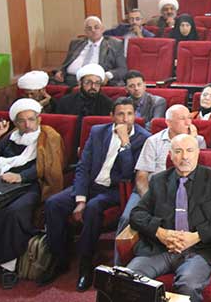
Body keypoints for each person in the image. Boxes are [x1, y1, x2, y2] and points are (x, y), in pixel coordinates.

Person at [41, 97, 151, 291]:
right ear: (112, 116)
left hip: (116, 190)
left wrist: (125, 144)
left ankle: (86, 263)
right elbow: (83, 167)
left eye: (130, 114)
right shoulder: (98, 132)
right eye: (120, 114)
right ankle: (59, 259)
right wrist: (80, 199)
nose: (125, 119)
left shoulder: (143, 138)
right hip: (91, 184)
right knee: (53, 203)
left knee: (93, 207)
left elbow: (128, 175)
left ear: (135, 115)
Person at [126, 134, 211, 302]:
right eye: (178, 151)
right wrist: (161, 233)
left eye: (189, 150)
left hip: (198, 250)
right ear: (170, 155)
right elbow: (136, 214)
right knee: (129, 279)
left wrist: (197, 236)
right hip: (160, 249)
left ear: (198, 153)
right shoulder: (158, 180)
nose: (184, 156)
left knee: (188, 286)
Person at [0, 99, 65, 289]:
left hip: (32, 185)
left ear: (39, 119)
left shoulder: (49, 136)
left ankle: (8, 266)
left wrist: (21, 176)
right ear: (15, 123)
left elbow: (51, 165)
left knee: (13, 213)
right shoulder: (9, 138)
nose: (27, 124)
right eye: (21, 121)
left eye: (31, 119)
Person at [114, 104, 206, 265]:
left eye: (189, 118)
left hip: (183, 190)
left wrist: (193, 141)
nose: (188, 123)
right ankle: (118, 268)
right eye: (182, 119)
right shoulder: (153, 141)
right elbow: (141, 176)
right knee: (127, 218)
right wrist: (150, 200)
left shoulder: (198, 140)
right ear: (168, 122)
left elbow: (201, 174)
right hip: (150, 190)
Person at [52, 16, 127, 86]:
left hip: (95, 82)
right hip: (70, 80)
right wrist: (61, 71)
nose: (93, 30)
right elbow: (66, 63)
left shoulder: (115, 44)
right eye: (89, 28)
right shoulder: (75, 43)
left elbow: (122, 69)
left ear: (102, 29)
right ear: (85, 31)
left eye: (96, 27)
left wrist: (107, 75)